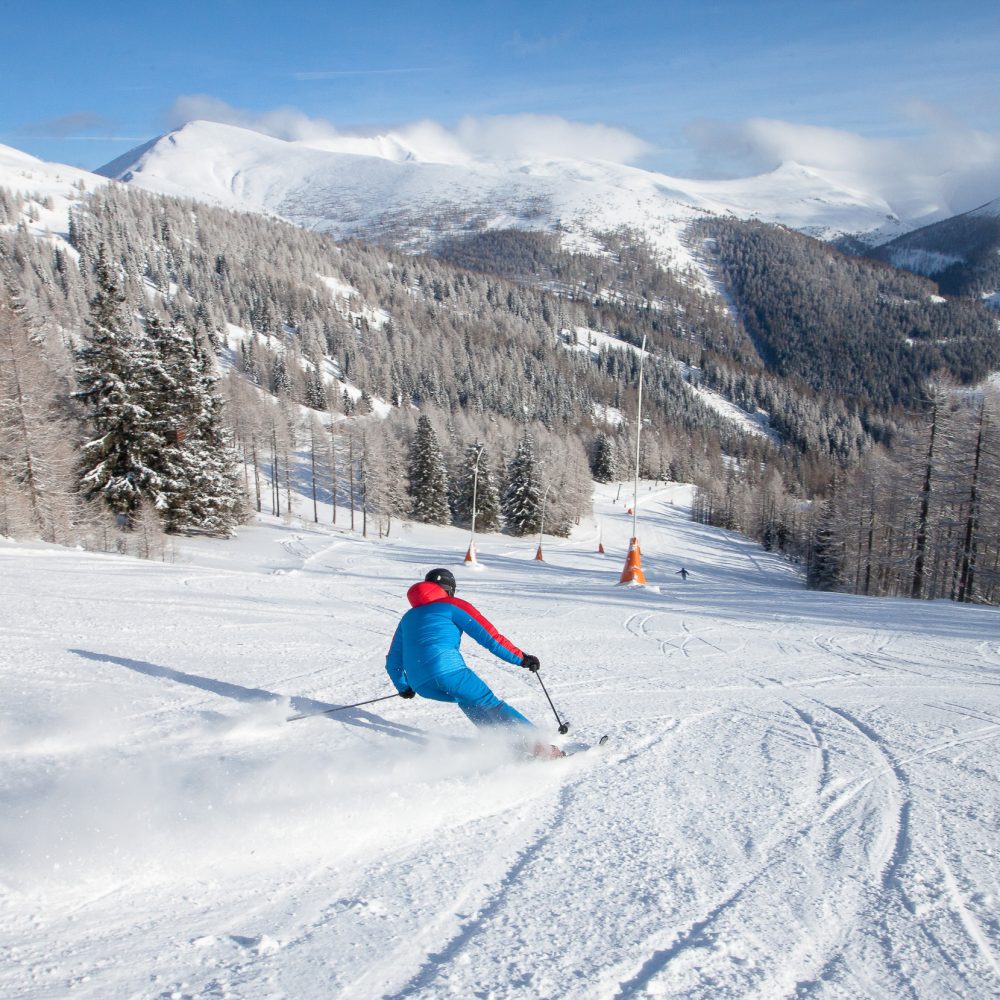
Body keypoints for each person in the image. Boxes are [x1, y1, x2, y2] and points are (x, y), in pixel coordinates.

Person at [385, 568, 563, 758]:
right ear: (450, 589)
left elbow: (393, 661)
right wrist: (521, 658)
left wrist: (404, 686)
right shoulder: (452, 605)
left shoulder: (408, 617)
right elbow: (490, 639)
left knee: (468, 701)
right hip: (448, 672)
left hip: (421, 685)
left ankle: (507, 746)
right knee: (490, 703)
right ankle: (542, 748)